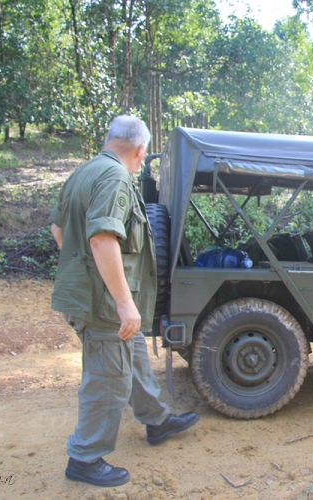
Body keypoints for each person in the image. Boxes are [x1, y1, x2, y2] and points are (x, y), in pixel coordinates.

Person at [50, 115, 198, 487]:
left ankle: (157, 420)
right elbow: (102, 238)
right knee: (107, 377)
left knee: (132, 355)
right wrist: (122, 301)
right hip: (104, 304)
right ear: (139, 151)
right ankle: (84, 457)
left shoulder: (85, 172)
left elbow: (57, 228)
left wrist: (83, 269)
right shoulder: (116, 178)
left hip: (98, 295)